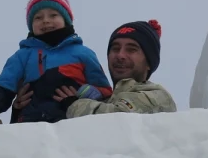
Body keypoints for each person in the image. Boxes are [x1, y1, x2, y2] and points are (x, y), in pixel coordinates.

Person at [0, 0, 112, 127]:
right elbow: (3, 89)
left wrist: (91, 92)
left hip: (72, 121)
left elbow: (104, 89)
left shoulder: (83, 53)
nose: (46, 21)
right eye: (38, 17)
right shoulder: (22, 56)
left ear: (66, 20)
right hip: (30, 123)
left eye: (53, 15)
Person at [14, 19, 177, 118]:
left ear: (149, 61)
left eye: (131, 49)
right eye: (115, 48)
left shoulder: (157, 95)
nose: (120, 55)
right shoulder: (97, 101)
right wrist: (23, 108)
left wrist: (72, 104)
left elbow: (117, 122)